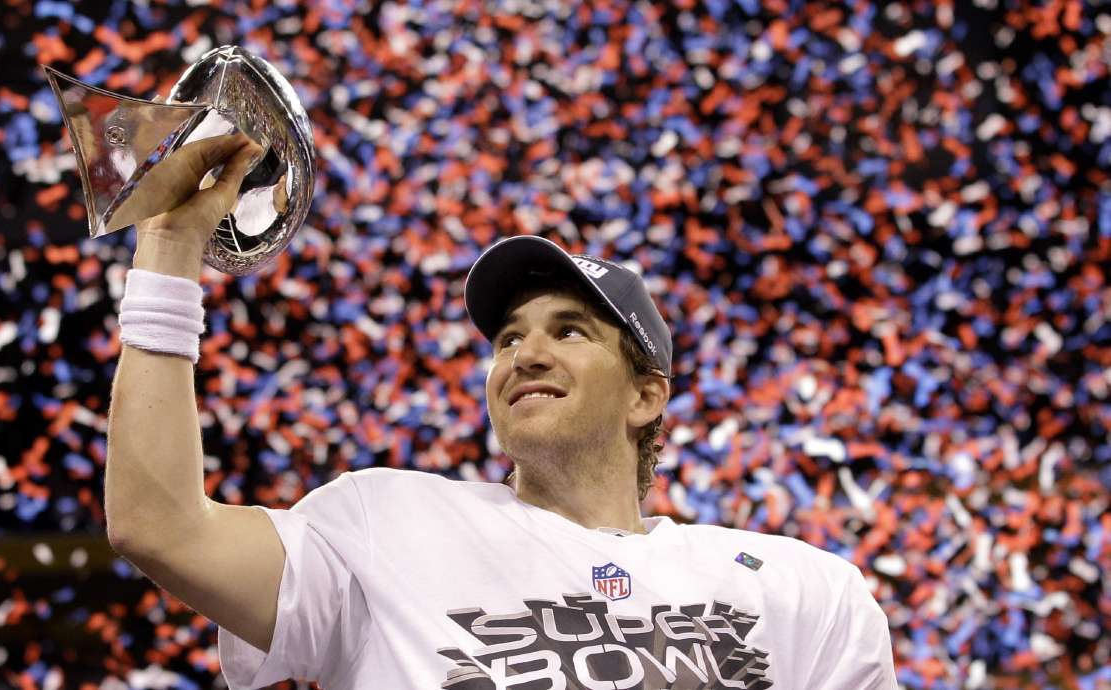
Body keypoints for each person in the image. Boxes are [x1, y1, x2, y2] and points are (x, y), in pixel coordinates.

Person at [105, 133, 899, 689]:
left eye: (569, 331)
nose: (525, 352)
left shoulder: (805, 591)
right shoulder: (384, 524)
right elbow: (161, 528)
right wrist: (171, 250)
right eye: (507, 338)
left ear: (646, 393)